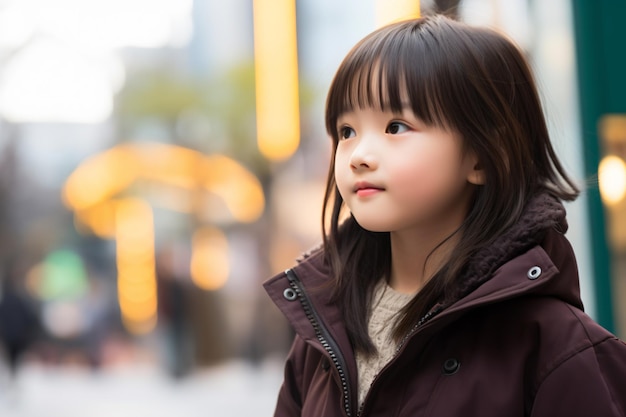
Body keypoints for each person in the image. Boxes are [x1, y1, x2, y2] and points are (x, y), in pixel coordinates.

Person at [263, 15, 626, 417]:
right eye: (346, 131)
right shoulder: (322, 331)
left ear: (486, 156)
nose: (359, 156)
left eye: (396, 126)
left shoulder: (557, 348)